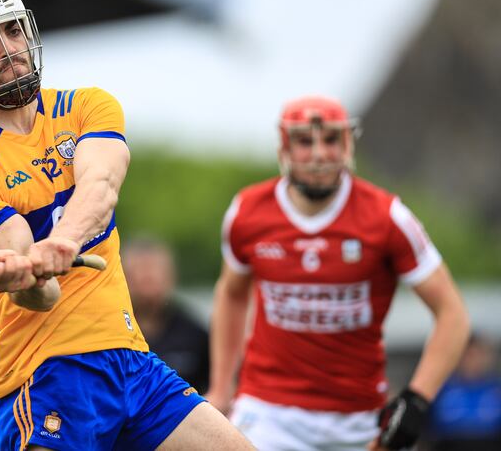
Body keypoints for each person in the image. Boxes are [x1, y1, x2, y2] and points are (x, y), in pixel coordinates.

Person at [0, 0, 253, 451]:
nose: (7, 49)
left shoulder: (87, 107)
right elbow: (41, 295)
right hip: (48, 373)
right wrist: (26, 277)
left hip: (133, 363)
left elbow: (100, 185)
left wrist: (62, 242)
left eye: (14, 30)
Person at [206, 95, 471, 451]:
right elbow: (231, 293)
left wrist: (417, 399)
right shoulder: (247, 212)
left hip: (359, 418)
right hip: (268, 411)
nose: (318, 153)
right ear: (284, 147)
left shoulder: (388, 217)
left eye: (330, 139)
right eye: (304, 141)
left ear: (348, 143)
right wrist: (222, 387)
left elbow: (452, 313)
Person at [122, 237, 210, 393]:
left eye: (155, 270)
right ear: (123, 279)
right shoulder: (111, 335)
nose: (148, 278)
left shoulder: (196, 335)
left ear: (172, 277)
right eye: (140, 270)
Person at [424, 333, 501, 451]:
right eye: (469, 355)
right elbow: (428, 431)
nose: (474, 361)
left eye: (478, 355)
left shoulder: (496, 390)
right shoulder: (441, 390)